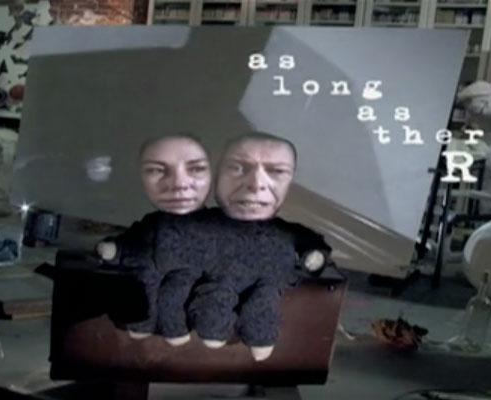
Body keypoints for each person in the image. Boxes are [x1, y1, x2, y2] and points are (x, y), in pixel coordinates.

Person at [188, 132, 332, 361]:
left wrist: (314, 257)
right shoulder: (201, 222)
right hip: (217, 283)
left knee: (264, 302)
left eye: (277, 172)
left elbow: (313, 246)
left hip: (268, 284)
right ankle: (215, 329)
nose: (256, 185)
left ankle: (260, 338)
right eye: (237, 168)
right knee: (215, 298)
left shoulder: (287, 231)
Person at [96, 133, 214, 344]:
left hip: (189, 284)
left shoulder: (214, 226)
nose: (178, 183)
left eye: (195, 169)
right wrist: (115, 249)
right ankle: (142, 324)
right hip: (149, 276)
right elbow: (134, 242)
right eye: (157, 170)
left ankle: (175, 329)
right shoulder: (151, 223)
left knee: (174, 294)